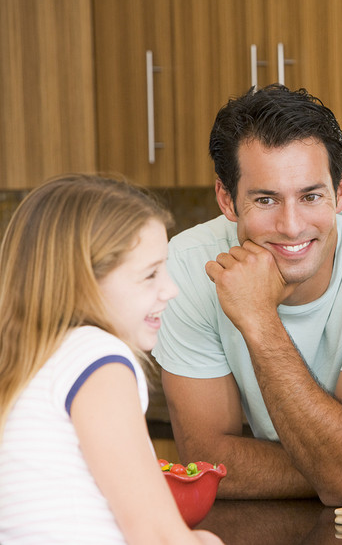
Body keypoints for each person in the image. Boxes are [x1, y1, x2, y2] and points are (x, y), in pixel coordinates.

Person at [152, 84, 342, 506]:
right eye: (266, 199)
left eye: (310, 196)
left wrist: (258, 318)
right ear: (226, 200)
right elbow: (206, 459)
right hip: (273, 521)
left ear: (340, 191)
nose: (291, 225)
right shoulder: (187, 266)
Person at [0, 174, 222, 544]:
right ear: (84, 281)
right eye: (150, 274)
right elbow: (158, 538)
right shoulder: (97, 358)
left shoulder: (27, 362)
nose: (171, 289)